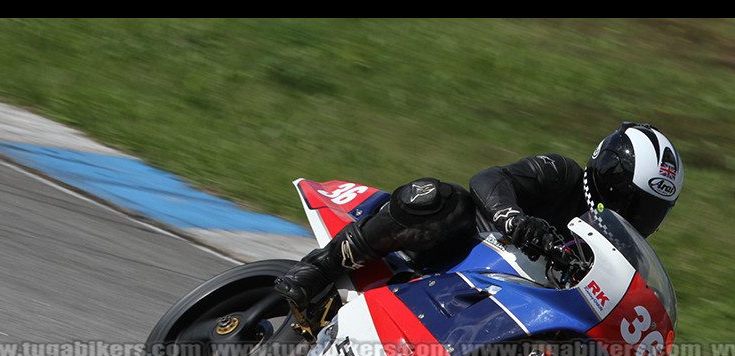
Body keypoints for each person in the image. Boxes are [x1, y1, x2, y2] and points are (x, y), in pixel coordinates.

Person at [274, 122, 684, 309]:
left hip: (509, 306)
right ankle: (322, 268)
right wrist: (512, 218)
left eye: (649, 210)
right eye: (631, 200)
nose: (633, 215)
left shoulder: (619, 256)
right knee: (438, 198)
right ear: (607, 176)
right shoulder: (563, 175)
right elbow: (489, 178)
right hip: (464, 252)